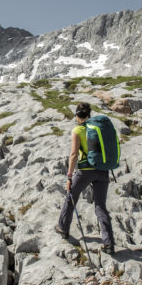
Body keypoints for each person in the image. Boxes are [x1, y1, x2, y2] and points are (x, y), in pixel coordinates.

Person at [56, 102, 115, 256]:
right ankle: (108, 243)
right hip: (102, 170)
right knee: (100, 206)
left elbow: (74, 154)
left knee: (71, 197)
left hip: (85, 171)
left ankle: (63, 228)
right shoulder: (97, 128)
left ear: (77, 116)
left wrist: (69, 175)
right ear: (89, 115)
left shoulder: (78, 130)